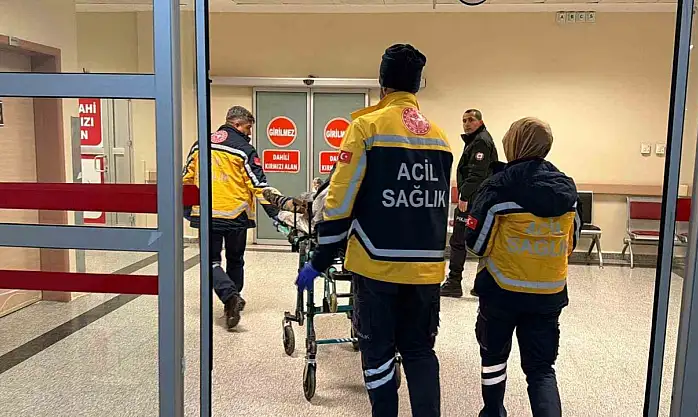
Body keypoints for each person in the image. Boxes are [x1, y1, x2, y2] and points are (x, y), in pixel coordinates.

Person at [294, 44, 452, 417]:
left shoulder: (366, 128)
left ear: (382, 83)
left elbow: (339, 201)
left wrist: (320, 260)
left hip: (376, 265)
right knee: (420, 351)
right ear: (418, 85)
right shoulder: (441, 137)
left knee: (378, 353)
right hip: (427, 269)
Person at [465, 117, 581, 417]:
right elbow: (571, 243)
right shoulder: (566, 191)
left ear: (514, 144)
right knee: (541, 369)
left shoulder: (498, 187)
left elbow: (476, 244)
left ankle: (493, 412)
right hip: (548, 294)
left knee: (494, 359)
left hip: (501, 293)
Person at [183, 106, 279, 329]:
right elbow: (258, 185)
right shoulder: (244, 149)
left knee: (211, 262)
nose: (249, 132)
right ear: (236, 124)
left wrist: (186, 208)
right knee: (236, 260)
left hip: (207, 215)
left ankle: (230, 298)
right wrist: (276, 213)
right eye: (248, 127)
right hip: (236, 215)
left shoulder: (200, 145)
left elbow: (186, 178)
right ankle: (231, 302)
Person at [441, 109, 499, 298]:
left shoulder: (481, 141)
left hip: (473, 200)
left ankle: (454, 282)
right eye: (464, 120)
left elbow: (476, 173)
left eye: (471, 120)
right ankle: (482, 284)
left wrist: (464, 197)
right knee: (484, 240)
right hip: (480, 199)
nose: (466, 124)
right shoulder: (477, 140)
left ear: (480, 122)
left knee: (458, 240)